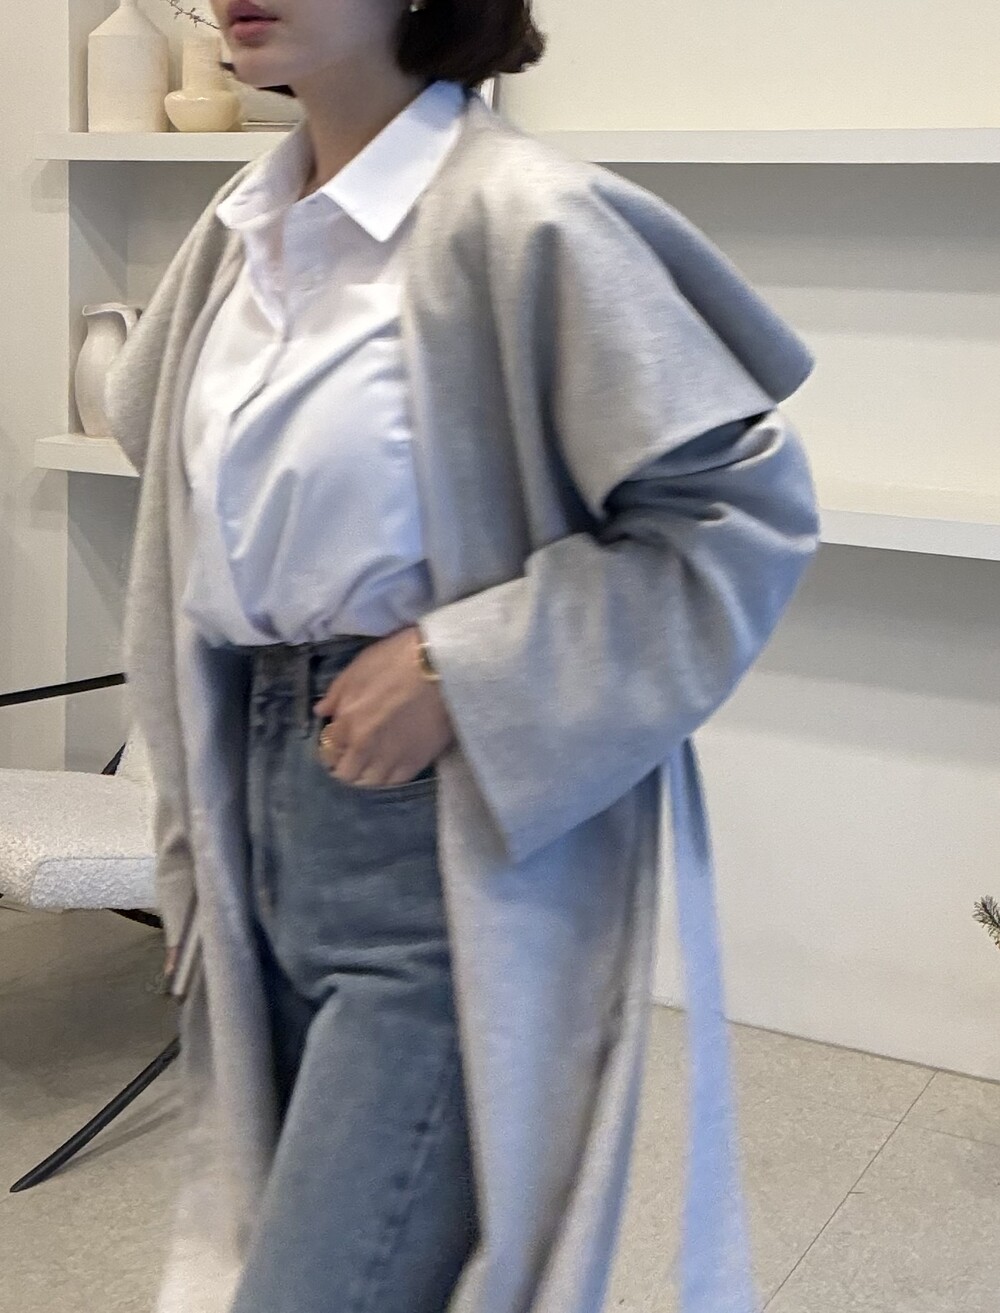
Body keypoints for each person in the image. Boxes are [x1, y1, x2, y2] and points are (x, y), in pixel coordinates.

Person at [106, 2, 820, 1311]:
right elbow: (183, 515)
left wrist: (459, 663)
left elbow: (735, 515)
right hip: (255, 817)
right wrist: (202, 843)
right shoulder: (241, 232)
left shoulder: (526, 215)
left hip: (432, 850)